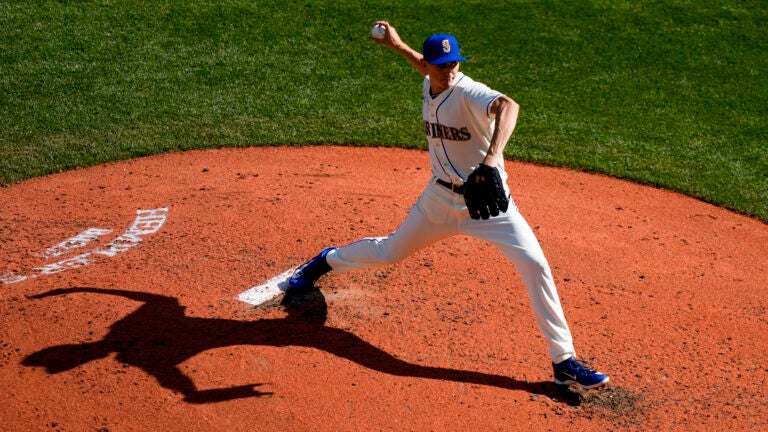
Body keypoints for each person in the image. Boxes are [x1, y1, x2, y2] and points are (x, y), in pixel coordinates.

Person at [288, 22, 609, 390]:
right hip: (439, 200)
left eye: (454, 63)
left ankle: (564, 361)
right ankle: (325, 260)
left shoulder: (469, 91)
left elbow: (509, 105)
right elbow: (422, 67)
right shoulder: (429, 80)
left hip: (488, 205)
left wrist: (491, 159)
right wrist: (396, 45)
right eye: (443, 65)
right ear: (431, 64)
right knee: (389, 251)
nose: (450, 70)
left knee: (536, 265)